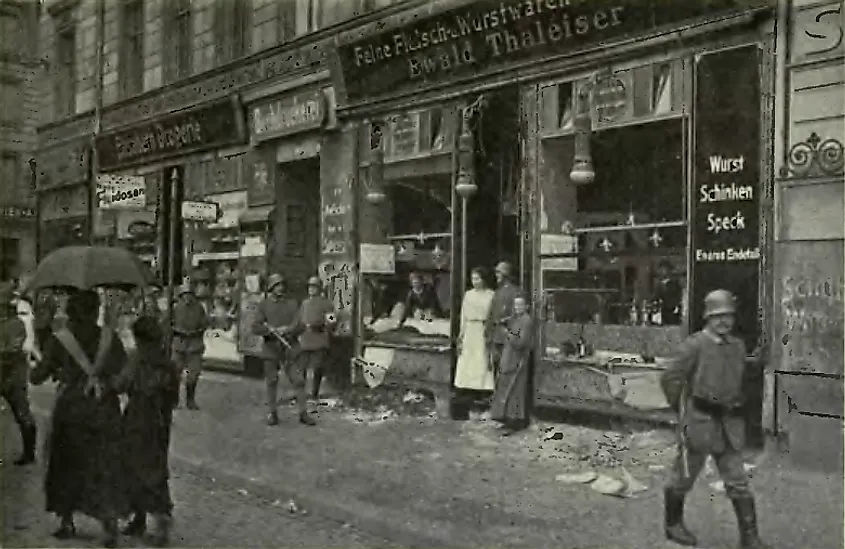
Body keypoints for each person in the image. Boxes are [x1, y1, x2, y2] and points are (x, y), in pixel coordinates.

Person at [660, 289, 770, 549]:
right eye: (718, 316)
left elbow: (742, 367)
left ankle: (750, 538)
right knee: (683, 478)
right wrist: (682, 408)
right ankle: (673, 525)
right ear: (707, 317)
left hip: (729, 425)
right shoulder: (694, 345)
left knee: (738, 481)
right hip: (699, 422)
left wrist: (760, 359)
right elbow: (670, 378)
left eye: (729, 316)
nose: (724, 322)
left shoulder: (737, 345)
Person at [30, 289, 129, 547]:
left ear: (70, 312)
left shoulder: (59, 340)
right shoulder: (110, 338)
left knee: (66, 463)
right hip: (104, 410)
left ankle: (66, 521)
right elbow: (124, 376)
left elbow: (37, 376)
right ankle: (109, 524)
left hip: (71, 411)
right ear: (96, 311)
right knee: (105, 465)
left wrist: (47, 367)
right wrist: (104, 383)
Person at [119, 315, 179, 547]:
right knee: (154, 469)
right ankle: (148, 519)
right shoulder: (168, 363)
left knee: (135, 467)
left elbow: (122, 384)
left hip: (137, 420)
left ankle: (148, 521)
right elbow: (173, 398)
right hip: (160, 423)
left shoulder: (136, 359)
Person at [252, 273, 300, 426]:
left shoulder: (291, 304)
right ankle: (272, 413)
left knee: (299, 381)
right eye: (277, 285)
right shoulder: (264, 305)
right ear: (271, 288)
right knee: (272, 381)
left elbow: (299, 324)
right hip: (270, 348)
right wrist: (270, 331)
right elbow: (256, 327)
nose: (280, 288)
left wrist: (286, 330)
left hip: (288, 348)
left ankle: (303, 413)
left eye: (281, 285)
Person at [290, 276, 337, 420]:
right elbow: (299, 320)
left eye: (314, 286)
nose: (311, 289)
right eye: (310, 286)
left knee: (317, 368)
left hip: (319, 339)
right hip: (305, 339)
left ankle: (314, 394)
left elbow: (332, 321)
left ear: (319, 288)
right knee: (301, 368)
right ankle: (301, 394)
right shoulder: (304, 303)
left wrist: (323, 326)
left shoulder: (327, 304)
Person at [0, 282, 37, 466]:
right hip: (9, 374)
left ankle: (29, 452)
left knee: (22, 413)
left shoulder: (16, 325)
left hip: (13, 375)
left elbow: (13, 350)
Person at [489, 293, 533, 436]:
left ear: (526, 306)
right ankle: (507, 419)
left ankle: (515, 422)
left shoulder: (526, 321)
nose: (517, 308)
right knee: (507, 389)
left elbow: (521, 342)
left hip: (518, 359)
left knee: (515, 390)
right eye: (515, 305)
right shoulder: (515, 319)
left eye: (520, 305)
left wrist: (507, 333)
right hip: (509, 357)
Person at [454, 267, 495, 393]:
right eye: (473, 279)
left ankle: (483, 388)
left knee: (482, 357)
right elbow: (463, 315)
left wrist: (490, 331)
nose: (475, 281)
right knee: (468, 358)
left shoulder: (491, 295)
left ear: (484, 279)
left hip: (483, 328)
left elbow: (493, 315)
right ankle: (467, 387)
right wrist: (461, 334)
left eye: (477, 278)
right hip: (470, 329)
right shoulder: (468, 294)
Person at [170, 282, 208, 410]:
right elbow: (169, 323)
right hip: (179, 344)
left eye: (190, 295)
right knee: (175, 373)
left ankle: (190, 400)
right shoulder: (175, 308)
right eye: (185, 295)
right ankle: (174, 400)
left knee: (194, 374)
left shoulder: (199, 308)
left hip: (194, 345)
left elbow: (204, 324)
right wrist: (176, 330)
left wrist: (196, 331)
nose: (187, 298)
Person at [486, 261, 520, 377]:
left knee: (507, 368)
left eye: (498, 272)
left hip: (507, 336)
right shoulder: (497, 292)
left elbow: (517, 314)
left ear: (506, 274)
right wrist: (488, 333)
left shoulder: (515, 292)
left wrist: (505, 323)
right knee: (496, 367)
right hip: (496, 337)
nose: (496, 275)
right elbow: (490, 314)